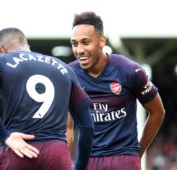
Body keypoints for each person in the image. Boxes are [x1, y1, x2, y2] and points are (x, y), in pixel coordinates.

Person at [0, 27, 94, 170]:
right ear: (27, 46)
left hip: (19, 150)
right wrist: (80, 167)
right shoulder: (65, 69)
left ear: (1, 50)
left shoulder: (0, 62)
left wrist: (4, 135)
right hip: (57, 154)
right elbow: (87, 125)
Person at [67, 11, 166, 170]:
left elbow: (158, 112)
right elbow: (67, 128)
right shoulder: (69, 74)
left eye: (85, 42)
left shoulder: (129, 71)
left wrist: (137, 153)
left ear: (101, 41)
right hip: (88, 160)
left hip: (124, 159)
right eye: (74, 43)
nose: (79, 50)